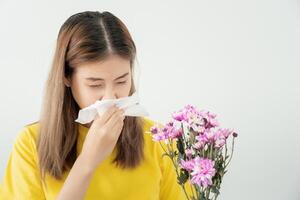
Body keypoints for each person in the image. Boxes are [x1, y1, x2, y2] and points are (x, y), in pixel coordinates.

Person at [0, 11, 191, 200]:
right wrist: (87, 162)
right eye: (95, 84)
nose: (109, 97)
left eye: (121, 81)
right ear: (66, 77)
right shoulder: (31, 144)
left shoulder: (159, 140)